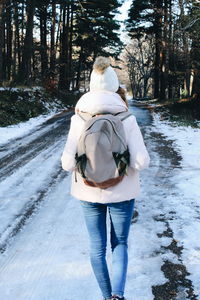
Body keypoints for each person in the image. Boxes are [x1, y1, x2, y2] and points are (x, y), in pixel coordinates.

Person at [61, 57, 150, 300]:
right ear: (114, 87)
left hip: (88, 192)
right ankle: (117, 296)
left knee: (96, 248)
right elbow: (142, 162)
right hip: (122, 192)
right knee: (119, 243)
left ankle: (104, 295)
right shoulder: (127, 118)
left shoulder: (78, 119)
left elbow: (67, 163)